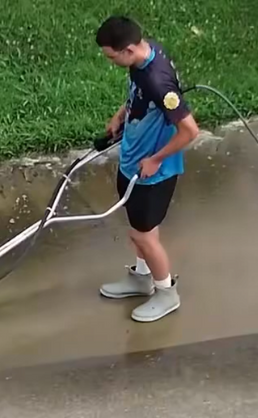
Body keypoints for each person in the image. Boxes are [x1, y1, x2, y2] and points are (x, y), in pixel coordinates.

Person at [95, 15, 201, 322]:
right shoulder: (142, 58)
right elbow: (137, 95)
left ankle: (166, 292)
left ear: (127, 49)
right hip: (133, 160)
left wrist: (155, 160)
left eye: (111, 56)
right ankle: (141, 279)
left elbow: (190, 131)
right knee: (138, 231)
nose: (110, 60)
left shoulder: (158, 80)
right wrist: (120, 116)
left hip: (153, 173)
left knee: (144, 236)